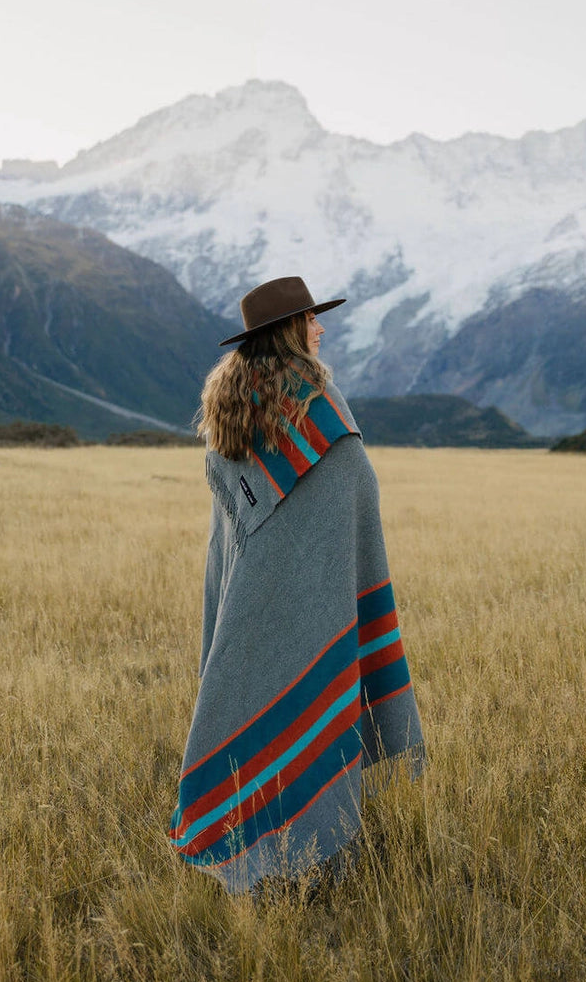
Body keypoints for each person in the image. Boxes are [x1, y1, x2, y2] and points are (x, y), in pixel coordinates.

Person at [169, 276, 424, 894]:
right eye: (312, 319)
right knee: (316, 703)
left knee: (255, 700)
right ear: (291, 331)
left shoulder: (227, 414)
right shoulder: (318, 404)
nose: (321, 329)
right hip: (314, 603)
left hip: (247, 606)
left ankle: (261, 841)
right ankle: (316, 857)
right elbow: (354, 485)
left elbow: (240, 527)